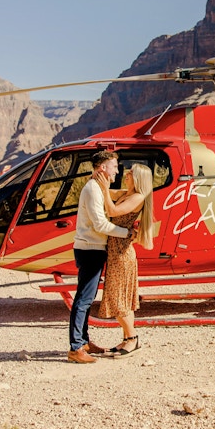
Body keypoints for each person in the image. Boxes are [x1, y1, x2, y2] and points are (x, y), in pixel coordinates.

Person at [67, 150, 130, 364]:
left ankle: (83, 341)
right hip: (90, 249)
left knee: (86, 297)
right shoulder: (93, 189)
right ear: (102, 167)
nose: (117, 170)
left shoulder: (98, 187)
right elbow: (100, 224)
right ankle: (76, 347)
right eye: (114, 166)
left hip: (93, 248)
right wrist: (127, 233)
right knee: (83, 299)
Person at [97, 163, 154, 356]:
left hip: (122, 253)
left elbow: (112, 211)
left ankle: (132, 338)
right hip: (116, 250)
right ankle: (126, 339)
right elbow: (109, 193)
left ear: (138, 178)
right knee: (120, 297)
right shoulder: (128, 193)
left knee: (119, 298)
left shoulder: (138, 197)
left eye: (131, 173)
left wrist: (104, 189)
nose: (126, 174)